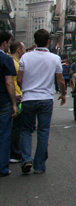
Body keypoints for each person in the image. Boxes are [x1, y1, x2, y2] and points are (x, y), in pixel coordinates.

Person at [17, 29, 66, 175]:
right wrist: (63, 94)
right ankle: (39, 165)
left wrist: (24, 90)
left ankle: (26, 158)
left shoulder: (25, 57)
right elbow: (60, 80)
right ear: (48, 42)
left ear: (34, 41)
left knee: (26, 129)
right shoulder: (55, 58)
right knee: (43, 131)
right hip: (45, 99)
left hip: (28, 98)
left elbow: (19, 79)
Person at [0, 32, 19, 177]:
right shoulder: (6, 59)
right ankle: (2, 168)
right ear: (5, 43)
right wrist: (14, 102)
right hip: (3, 100)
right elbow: (9, 82)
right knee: (4, 134)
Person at [9, 41, 25, 163]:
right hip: (17, 97)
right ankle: (15, 152)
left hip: (17, 95)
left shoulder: (16, 62)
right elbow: (11, 82)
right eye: (23, 48)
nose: (24, 51)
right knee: (16, 127)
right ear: (18, 50)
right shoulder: (14, 64)